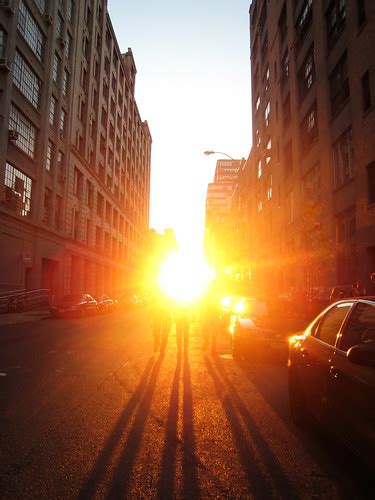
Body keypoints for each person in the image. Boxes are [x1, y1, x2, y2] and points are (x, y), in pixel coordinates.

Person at [148, 289, 172, 354]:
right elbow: (151, 308)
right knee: (157, 333)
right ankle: (158, 344)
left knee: (164, 334)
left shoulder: (167, 297)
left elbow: (171, 307)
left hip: (165, 318)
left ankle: (161, 348)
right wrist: (149, 317)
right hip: (158, 317)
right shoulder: (155, 298)